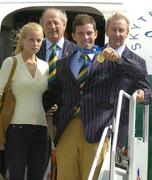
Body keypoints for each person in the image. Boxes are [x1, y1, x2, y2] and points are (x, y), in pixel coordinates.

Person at [44, 13, 152, 180]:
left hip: (97, 126)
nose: (85, 37)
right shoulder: (63, 63)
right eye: (80, 33)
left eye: (89, 33)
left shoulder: (109, 59)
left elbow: (141, 78)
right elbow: (58, 92)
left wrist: (120, 61)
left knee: (93, 176)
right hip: (67, 126)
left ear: (96, 34)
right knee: (65, 175)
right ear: (73, 36)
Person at [0, 22, 49, 179]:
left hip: (41, 129)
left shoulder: (45, 66)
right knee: (16, 176)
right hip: (16, 130)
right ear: (22, 40)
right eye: (31, 39)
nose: (35, 44)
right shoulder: (11, 62)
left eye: (39, 40)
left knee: (37, 176)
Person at [105, 12, 152, 148]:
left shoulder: (138, 61)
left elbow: (148, 92)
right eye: (114, 29)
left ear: (127, 33)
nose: (117, 34)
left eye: (121, 30)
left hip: (120, 126)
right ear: (107, 31)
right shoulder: (96, 56)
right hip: (93, 126)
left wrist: (142, 94)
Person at [37, 7, 77, 112]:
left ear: (64, 25)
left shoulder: (76, 51)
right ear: (42, 26)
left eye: (56, 22)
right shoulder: (33, 50)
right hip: (37, 111)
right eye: (48, 23)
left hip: (67, 113)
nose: (52, 26)